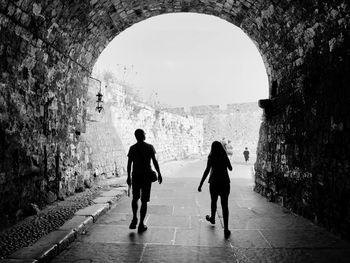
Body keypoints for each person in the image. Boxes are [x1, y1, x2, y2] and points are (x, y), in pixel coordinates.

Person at [127, 129, 162, 233]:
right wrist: (159, 173)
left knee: (135, 198)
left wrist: (128, 177)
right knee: (144, 201)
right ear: (143, 136)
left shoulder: (132, 148)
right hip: (146, 176)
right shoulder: (150, 147)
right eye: (144, 133)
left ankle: (134, 218)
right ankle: (141, 224)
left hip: (136, 176)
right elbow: (154, 162)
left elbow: (129, 164)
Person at [198, 141, 232, 238]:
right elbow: (231, 168)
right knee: (225, 205)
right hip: (225, 182)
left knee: (213, 201)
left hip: (214, 182)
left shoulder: (211, 156)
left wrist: (201, 184)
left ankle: (212, 218)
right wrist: (225, 161)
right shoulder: (224, 156)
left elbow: (207, 170)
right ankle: (226, 229)